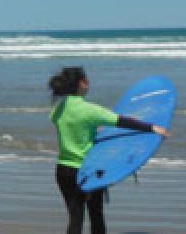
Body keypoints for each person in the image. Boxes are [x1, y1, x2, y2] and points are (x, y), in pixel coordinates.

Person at [49, 67, 169, 234]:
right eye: (86, 80)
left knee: (75, 218)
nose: (88, 83)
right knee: (96, 215)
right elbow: (121, 121)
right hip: (87, 169)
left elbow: (69, 127)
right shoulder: (88, 109)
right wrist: (152, 128)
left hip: (63, 170)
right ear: (80, 84)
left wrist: (90, 130)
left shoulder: (58, 109)